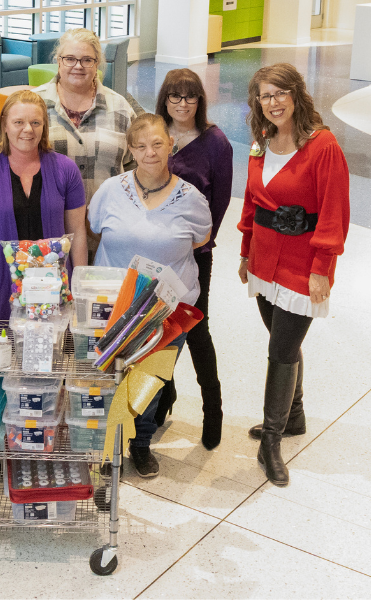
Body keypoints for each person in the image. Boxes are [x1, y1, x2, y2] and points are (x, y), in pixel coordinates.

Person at [238, 63, 350, 487]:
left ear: (296, 94)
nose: (273, 102)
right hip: (265, 260)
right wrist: (246, 252)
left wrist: (323, 269)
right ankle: (295, 415)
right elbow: (252, 201)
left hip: (302, 264)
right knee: (281, 338)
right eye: (265, 96)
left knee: (282, 350)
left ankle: (271, 439)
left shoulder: (322, 145)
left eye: (280, 92)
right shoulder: (261, 140)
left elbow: (335, 213)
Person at [89, 113, 212, 478]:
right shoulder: (111, 190)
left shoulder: (191, 198)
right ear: (130, 150)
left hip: (167, 309)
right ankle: (110, 445)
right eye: (141, 146)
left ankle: (141, 445)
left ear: (171, 144)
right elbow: (95, 228)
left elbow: (201, 240)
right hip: (113, 304)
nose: (150, 153)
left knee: (151, 379)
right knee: (108, 376)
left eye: (158, 143)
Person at [152, 69, 234, 451]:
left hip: (195, 256)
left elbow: (218, 207)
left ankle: (212, 409)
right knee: (153, 331)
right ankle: (162, 398)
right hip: (153, 254)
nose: (182, 104)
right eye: (174, 96)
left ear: (200, 101)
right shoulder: (155, 133)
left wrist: (199, 244)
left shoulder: (216, 142)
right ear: (164, 99)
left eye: (190, 97)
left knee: (195, 330)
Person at [0, 90, 88, 321]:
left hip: (54, 291)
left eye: (35, 122)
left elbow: (77, 232)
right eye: (18, 122)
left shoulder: (66, 170)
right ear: (5, 126)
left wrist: (79, 289)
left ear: (44, 127)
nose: (27, 129)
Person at [31, 28, 136, 255]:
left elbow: (134, 167)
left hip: (108, 237)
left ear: (97, 64)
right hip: (47, 236)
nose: (78, 66)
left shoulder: (120, 108)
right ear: (58, 61)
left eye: (87, 60)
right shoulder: (33, 105)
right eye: (69, 58)